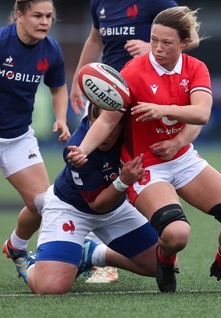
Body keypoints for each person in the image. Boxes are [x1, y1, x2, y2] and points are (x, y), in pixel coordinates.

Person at [68, 6, 221, 293]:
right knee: (177, 234)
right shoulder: (133, 71)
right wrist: (83, 149)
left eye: (166, 42)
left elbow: (201, 114)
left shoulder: (195, 68)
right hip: (145, 166)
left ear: (184, 43)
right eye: (153, 39)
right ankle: (165, 260)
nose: (157, 48)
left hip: (182, 158)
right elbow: (107, 119)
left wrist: (175, 136)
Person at [70, 0, 200, 282]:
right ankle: (97, 250)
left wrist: (151, 47)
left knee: (129, 174)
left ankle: (111, 256)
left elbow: (184, 36)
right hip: (107, 101)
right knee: (96, 173)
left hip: (140, 98)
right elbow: (95, 38)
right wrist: (77, 80)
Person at [26, 102, 160, 294]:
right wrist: (123, 181)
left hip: (116, 206)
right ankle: (34, 265)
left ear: (122, 124)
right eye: (94, 125)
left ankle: (93, 254)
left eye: (110, 127)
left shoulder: (133, 133)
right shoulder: (77, 149)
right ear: (89, 121)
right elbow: (98, 204)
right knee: (50, 288)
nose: (102, 135)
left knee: (165, 266)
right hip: (71, 208)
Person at [70, 0, 200, 116]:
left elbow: (193, 38)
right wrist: (78, 80)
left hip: (144, 92)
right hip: (108, 90)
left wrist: (153, 48)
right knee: (81, 144)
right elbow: (95, 41)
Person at [1, 0, 70, 282]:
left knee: (45, 203)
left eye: (48, 17)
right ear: (19, 15)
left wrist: (61, 118)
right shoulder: (2, 43)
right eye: (37, 16)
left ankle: (17, 246)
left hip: (16, 138)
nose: (45, 22)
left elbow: (58, 87)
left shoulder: (51, 50)